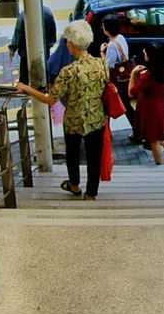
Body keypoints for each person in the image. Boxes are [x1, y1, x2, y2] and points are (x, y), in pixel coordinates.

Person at [16, 19, 108, 200]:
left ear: (72, 45)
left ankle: (74, 185)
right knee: (94, 158)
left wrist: (26, 88)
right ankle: (91, 195)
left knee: (73, 155)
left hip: (74, 120)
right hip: (97, 118)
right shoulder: (101, 64)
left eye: (67, 41)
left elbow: (50, 99)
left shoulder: (68, 72)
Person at [130, 43, 164, 166]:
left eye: (145, 53)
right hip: (160, 106)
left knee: (153, 140)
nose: (144, 54)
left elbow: (131, 92)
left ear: (150, 57)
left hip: (149, 110)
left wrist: (133, 74)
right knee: (159, 134)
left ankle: (159, 166)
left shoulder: (149, 76)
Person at [100, 14, 138, 143]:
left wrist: (101, 53)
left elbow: (109, 66)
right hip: (126, 77)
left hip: (119, 81)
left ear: (106, 29)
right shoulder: (121, 38)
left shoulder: (111, 45)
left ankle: (139, 132)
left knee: (125, 107)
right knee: (128, 107)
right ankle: (138, 131)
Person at [8, 5, 56, 86]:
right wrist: (49, 45)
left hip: (26, 52)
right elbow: (52, 31)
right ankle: (43, 88)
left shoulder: (23, 16)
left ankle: (24, 92)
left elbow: (18, 33)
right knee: (44, 71)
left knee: (24, 76)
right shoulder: (47, 13)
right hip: (44, 50)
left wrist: (13, 48)